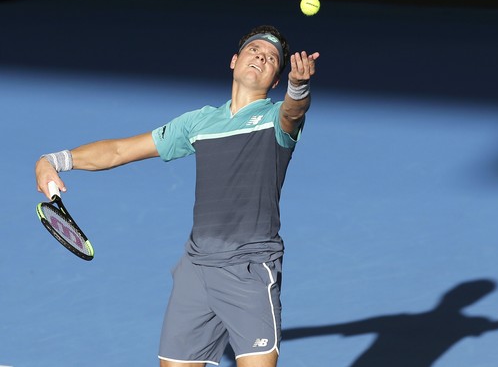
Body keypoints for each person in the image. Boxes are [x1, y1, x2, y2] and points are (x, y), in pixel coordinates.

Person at [35, 24, 320, 367]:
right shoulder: (199, 123)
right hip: (196, 270)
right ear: (234, 61)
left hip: (249, 269)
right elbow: (119, 151)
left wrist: (299, 87)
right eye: (254, 50)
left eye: (272, 57)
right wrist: (53, 161)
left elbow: (293, 112)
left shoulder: (275, 119)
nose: (261, 56)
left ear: (276, 80)